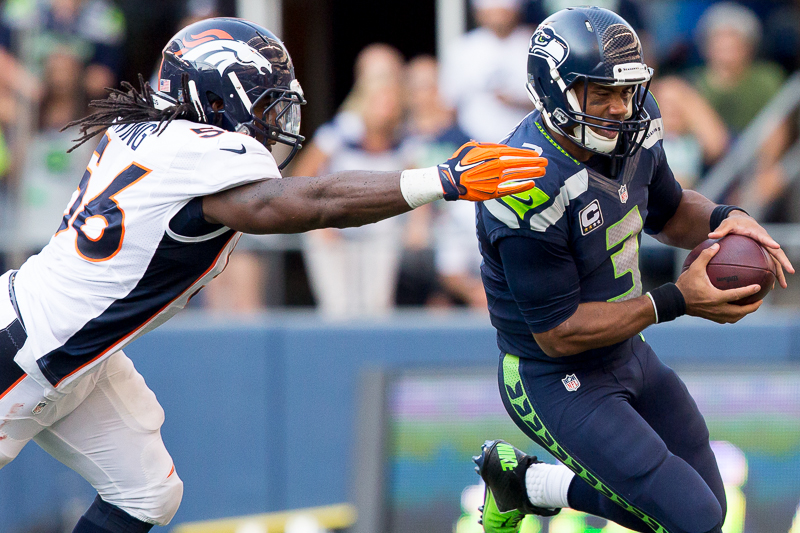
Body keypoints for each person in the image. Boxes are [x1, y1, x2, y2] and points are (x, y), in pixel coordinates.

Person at [0, 17, 548, 533]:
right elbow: (313, 201)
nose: (275, 120)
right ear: (214, 101)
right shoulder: (199, 150)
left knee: (146, 493)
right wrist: (441, 180)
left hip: (78, 353)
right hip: (26, 350)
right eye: (264, 103)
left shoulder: (150, 137)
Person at [470, 7, 794, 533]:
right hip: (551, 375)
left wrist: (725, 218)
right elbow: (558, 332)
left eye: (627, 90)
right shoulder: (525, 181)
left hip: (624, 351)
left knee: (708, 510)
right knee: (692, 520)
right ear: (555, 91)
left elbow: (668, 210)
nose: (621, 107)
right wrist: (676, 300)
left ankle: (525, 486)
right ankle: (525, 486)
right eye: (602, 93)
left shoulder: (634, 126)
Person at [292, 44, 408, 317]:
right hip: (334, 229)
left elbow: (416, 180)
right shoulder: (342, 129)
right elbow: (302, 174)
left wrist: (417, 225)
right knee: (338, 308)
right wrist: (319, 223)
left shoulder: (404, 138)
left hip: (379, 233)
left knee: (377, 307)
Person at [439, 0, 533, 143]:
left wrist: (515, 101)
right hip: (472, 141)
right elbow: (449, 103)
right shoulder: (463, 48)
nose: (497, 16)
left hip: (524, 141)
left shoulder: (531, 43)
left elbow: (549, 102)